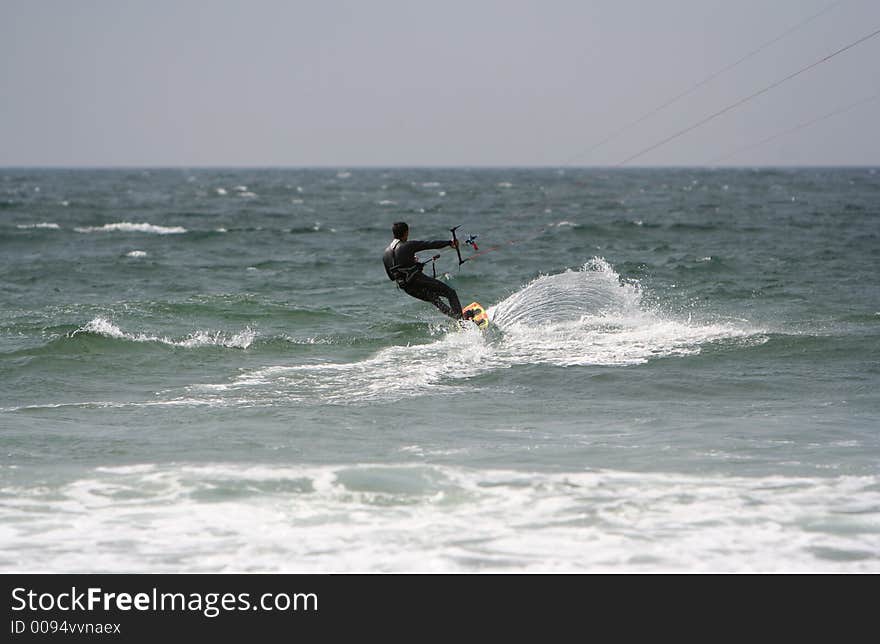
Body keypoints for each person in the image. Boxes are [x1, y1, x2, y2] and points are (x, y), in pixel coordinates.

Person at [383, 221, 471, 320]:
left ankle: (458, 318)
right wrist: (449, 243)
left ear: (394, 233)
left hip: (407, 288)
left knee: (435, 299)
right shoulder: (407, 245)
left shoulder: (386, 254)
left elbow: (392, 277)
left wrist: (411, 263)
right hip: (418, 280)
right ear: (406, 232)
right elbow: (429, 244)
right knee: (450, 292)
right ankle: (462, 320)